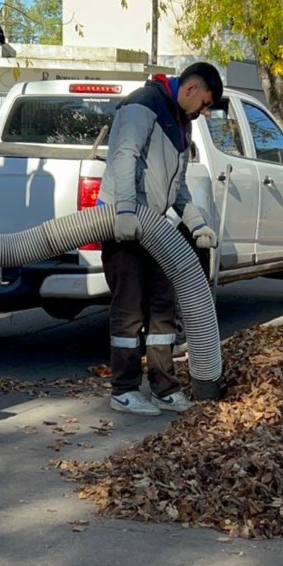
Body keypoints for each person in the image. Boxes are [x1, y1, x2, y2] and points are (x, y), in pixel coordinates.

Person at [99, 62, 223, 416]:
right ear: (190, 89)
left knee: (162, 307)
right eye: (205, 103)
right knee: (129, 308)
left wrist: (196, 222)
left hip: (155, 227)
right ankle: (123, 390)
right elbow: (125, 156)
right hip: (126, 224)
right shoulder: (144, 104)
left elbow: (177, 184)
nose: (204, 111)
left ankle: (163, 388)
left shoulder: (181, 121)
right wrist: (124, 211)